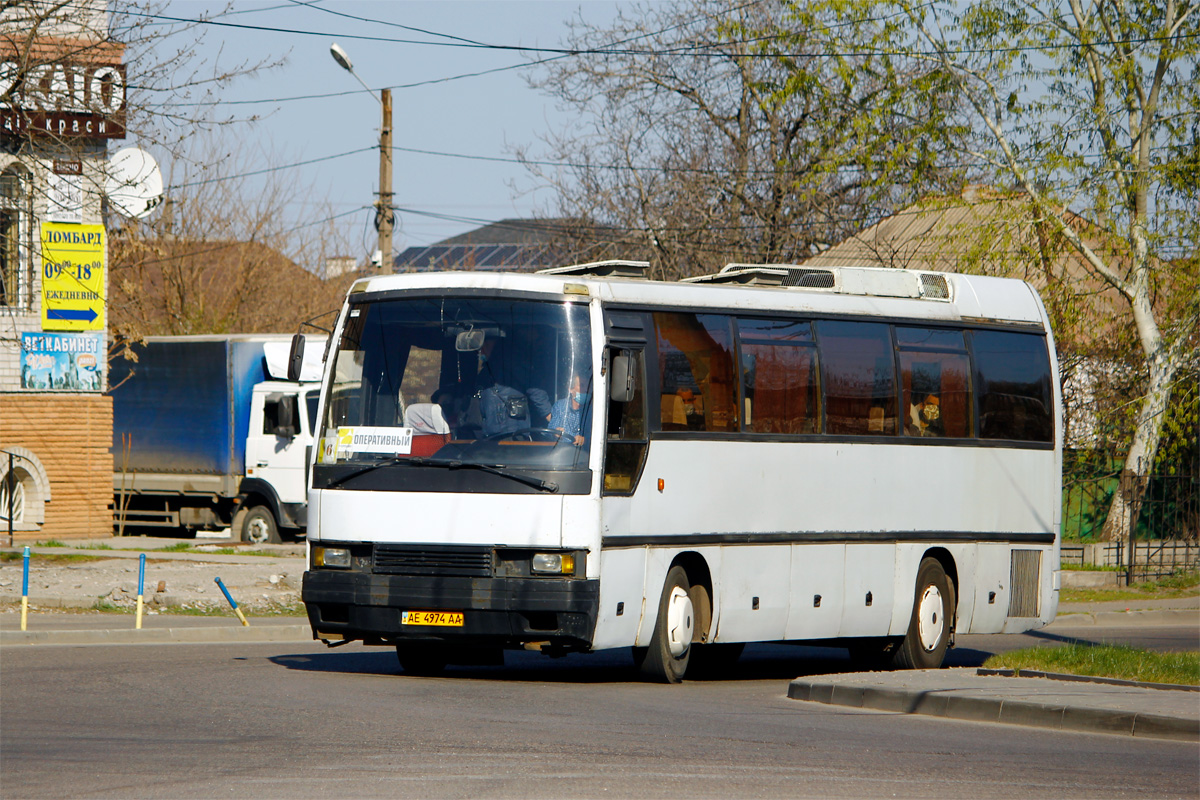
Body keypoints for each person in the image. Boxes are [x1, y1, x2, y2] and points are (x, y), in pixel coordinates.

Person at [550, 374, 590, 446]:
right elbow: (552, 427)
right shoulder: (560, 406)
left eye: (588, 386)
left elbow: (597, 434)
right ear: (571, 389)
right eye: (582, 385)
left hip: (582, 453)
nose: (586, 389)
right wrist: (555, 432)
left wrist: (585, 439)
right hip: (560, 452)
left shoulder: (592, 410)